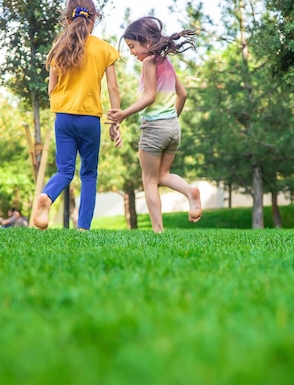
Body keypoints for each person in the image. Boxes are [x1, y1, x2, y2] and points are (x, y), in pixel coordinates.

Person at [107, 17, 202, 233]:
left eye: (132, 46)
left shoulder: (148, 62)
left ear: (147, 43)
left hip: (154, 128)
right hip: (172, 128)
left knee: (149, 181)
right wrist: (171, 119)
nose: (132, 52)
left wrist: (123, 114)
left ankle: (158, 232)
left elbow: (149, 96)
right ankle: (190, 191)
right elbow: (183, 94)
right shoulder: (166, 62)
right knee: (162, 175)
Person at [33, 0, 121, 231]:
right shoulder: (104, 49)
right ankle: (83, 228)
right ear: (94, 19)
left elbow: (51, 89)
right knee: (89, 173)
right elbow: (113, 88)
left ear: (68, 19)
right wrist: (116, 121)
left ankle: (47, 196)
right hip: (90, 118)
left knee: (64, 171)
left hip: (64, 117)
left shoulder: (59, 48)